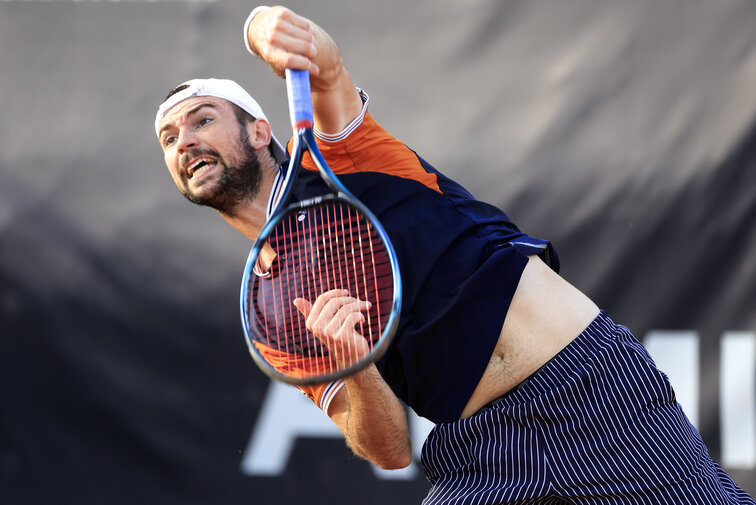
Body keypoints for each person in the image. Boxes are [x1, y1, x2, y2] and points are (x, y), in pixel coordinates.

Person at [155, 6, 755, 504]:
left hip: (594, 401)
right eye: (170, 138)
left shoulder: (342, 157)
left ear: (260, 131)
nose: (186, 141)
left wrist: (261, 25)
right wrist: (355, 364)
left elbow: (323, 65)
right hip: (481, 456)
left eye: (202, 120)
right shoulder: (271, 312)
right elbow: (388, 450)